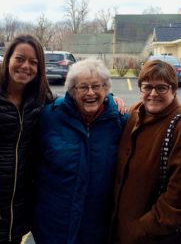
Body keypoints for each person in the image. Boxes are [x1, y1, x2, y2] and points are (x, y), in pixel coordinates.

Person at [31, 58, 127, 244]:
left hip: (98, 225)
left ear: (106, 89)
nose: (90, 93)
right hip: (54, 224)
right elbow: (32, 163)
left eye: (96, 86)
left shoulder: (120, 120)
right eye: (83, 87)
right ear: (72, 91)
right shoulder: (50, 116)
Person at [111, 59, 181, 244]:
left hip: (154, 237)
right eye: (147, 87)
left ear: (173, 89)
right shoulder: (135, 112)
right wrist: (110, 100)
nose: (153, 94)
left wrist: (142, 230)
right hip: (122, 230)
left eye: (161, 88)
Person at [0, 34, 54, 244]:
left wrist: (110, 100)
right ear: (8, 59)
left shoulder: (41, 99)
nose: (26, 66)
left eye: (33, 62)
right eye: (20, 58)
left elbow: (73, 105)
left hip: (17, 210)